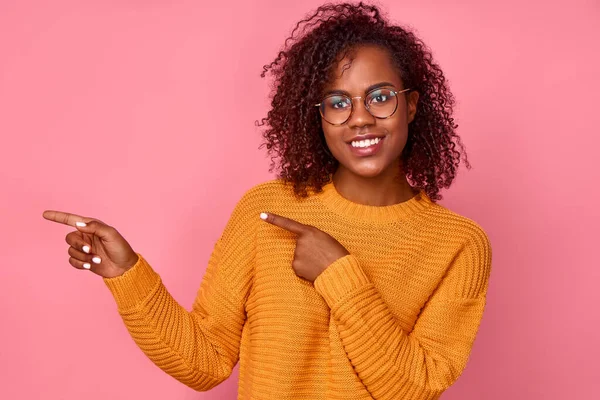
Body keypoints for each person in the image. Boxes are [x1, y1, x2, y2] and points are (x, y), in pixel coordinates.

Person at [43, 2, 492, 399]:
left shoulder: (459, 244)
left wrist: (339, 273)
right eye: (337, 103)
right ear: (316, 117)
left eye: (379, 98)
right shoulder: (267, 210)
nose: (359, 118)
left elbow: (414, 388)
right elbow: (205, 363)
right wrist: (127, 275)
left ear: (411, 105)